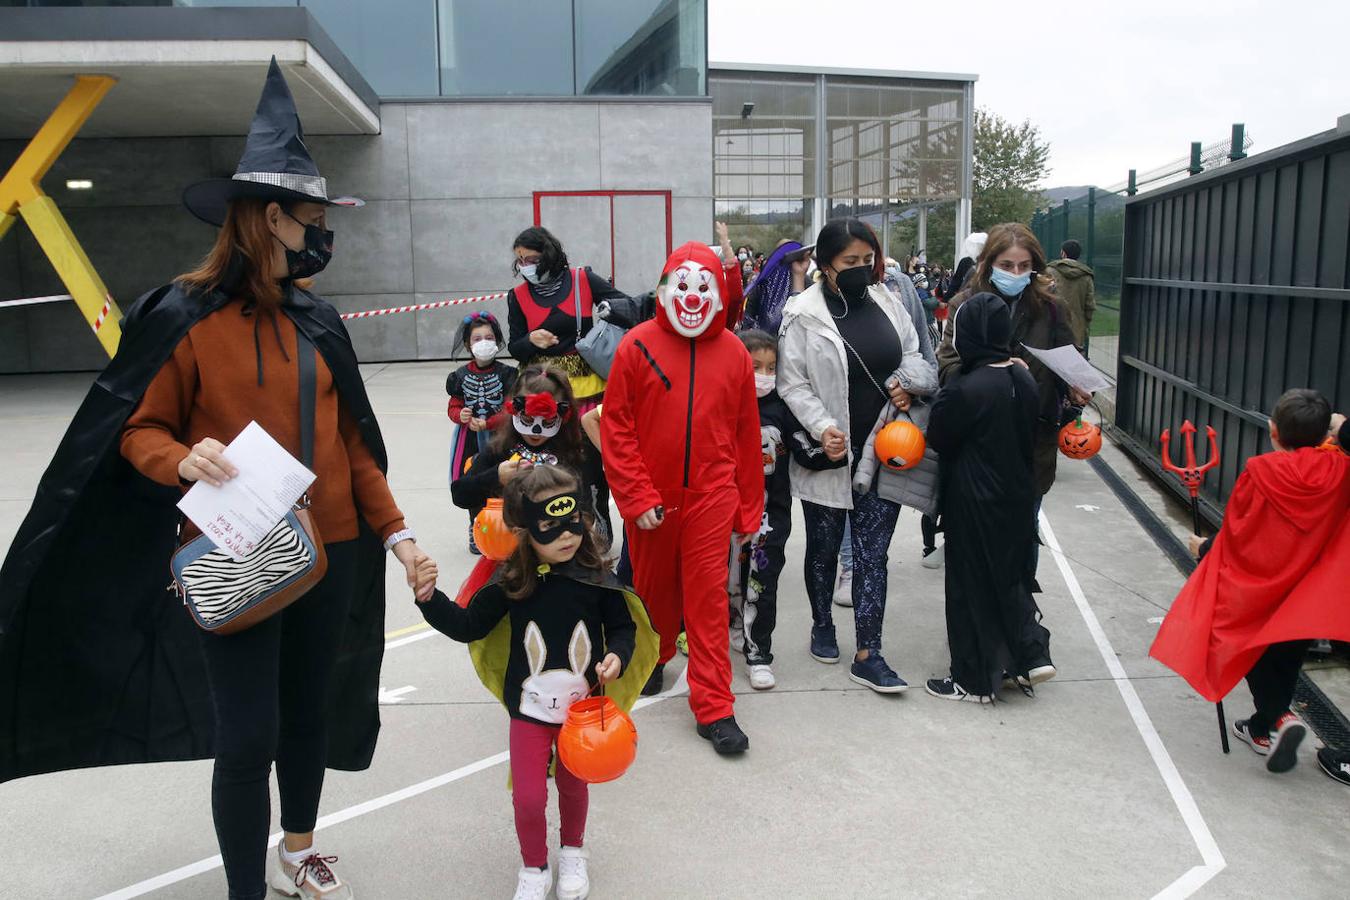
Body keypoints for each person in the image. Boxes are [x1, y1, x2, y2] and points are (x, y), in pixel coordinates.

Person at [0, 60, 437, 900]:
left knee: (308, 714)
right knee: (247, 737)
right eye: (313, 218)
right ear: (271, 218)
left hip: (334, 552)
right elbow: (134, 428)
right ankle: (245, 890)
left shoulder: (319, 319)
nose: (323, 232)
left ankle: (298, 853)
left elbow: (352, 446)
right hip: (235, 554)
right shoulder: (185, 315)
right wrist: (179, 459)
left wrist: (402, 537)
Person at [416, 464, 658, 900]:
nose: (566, 536)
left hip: (581, 715)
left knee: (573, 786)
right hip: (527, 712)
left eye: (573, 524)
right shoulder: (512, 583)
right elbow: (469, 624)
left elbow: (623, 628)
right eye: (551, 527)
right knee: (528, 798)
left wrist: (617, 657)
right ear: (525, 530)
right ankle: (534, 868)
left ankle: (572, 852)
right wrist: (430, 600)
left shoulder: (598, 580)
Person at [602, 241, 763, 754]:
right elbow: (617, 428)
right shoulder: (636, 345)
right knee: (652, 593)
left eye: (704, 287)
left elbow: (745, 432)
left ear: (717, 294)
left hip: (713, 496)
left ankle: (714, 706)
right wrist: (635, 493)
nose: (693, 297)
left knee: (709, 603)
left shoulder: (735, 353)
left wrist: (748, 508)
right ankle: (651, 659)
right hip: (653, 496)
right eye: (684, 285)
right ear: (666, 287)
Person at [1150, 390, 1350, 774]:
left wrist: (1207, 547)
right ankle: (1263, 724)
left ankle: (1279, 720)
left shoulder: (1262, 471)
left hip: (1262, 584)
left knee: (1251, 647)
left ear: (1273, 430)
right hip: (1307, 589)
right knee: (1288, 655)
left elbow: (1240, 533)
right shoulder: (1340, 470)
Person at [777, 218, 936, 693]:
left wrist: (907, 383)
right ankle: (822, 622)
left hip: (885, 449)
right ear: (826, 265)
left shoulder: (890, 302)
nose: (863, 269)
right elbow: (792, 382)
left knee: (873, 556)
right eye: (851, 262)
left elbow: (917, 355)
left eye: (868, 260)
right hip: (829, 455)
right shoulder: (801, 314)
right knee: (824, 551)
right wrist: (823, 428)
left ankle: (870, 652)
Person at [936, 223, 1092, 585]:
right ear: (989, 263)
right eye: (1007, 265)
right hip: (977, 445)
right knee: (976, 535)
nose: (1016, 274)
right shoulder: (963, 305)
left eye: (1024, 266)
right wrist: (995, 371)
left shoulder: (1051, 309)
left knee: (1024, 530)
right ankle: (975, 620)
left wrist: (1077, 387)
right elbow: (947, 369)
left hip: (1033, 439)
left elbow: (1068, 358)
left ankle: (1018, 613)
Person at [923, 293, 1054, 702]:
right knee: (1008, 579)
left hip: (973, 499)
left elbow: (940, 438)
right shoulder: (1022, 377)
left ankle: (973, 678)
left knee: (968, 589)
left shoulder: (967, 388)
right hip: (1016, 496)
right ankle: (1023, 657)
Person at [728, 329, 823, 690]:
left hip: (770, 518)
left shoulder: (782, 409)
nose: (764, 374)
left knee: (761, 585)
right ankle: (733, 625)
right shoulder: (724, 405)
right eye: (755, 366)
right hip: (727, 517)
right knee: (728, 583)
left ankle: (759, 653)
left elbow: (803, 449)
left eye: (771, 367)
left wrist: (830, 452)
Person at [452, 365, 609, 549]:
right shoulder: (500, 449)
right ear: (514, 410)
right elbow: (460, 494)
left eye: (548, 421)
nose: (536, 431)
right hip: (511, 550)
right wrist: (496, 476)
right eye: (527, 419)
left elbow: (586, 506)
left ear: (563, 415)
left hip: (560, 549)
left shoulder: (574, 452)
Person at [505, 226, 637, 414]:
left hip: (585, 385)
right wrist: (530, 341)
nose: (525, 266)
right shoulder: (517, 296)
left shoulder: (582, 280)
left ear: (549, 255)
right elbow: (515, 349)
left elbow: (626, 307)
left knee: (586, 437)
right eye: (520, 261)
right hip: (539, 386)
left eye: (532, 260)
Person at [447, 312, 517, 553]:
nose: (483, 342)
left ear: (497, 341)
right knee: (472, 478)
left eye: (489, 337)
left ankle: (505, 525)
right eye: (477, 339)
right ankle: (476, 526)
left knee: (502, 478)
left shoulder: (508, 374)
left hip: (500, 437)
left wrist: (489, 423)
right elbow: (453, 406)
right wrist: (460, 416)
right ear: (468, 344)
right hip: (469, 439)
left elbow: (511, 408)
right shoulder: (459, 376)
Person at [739, 239, 811, 336]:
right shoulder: (764, 281)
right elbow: (749, 313)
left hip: (797, 337)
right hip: (767, 342)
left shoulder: (803, 279)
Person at [1044, 239, 1095, 354]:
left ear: (1063, 253)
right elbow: (1090, 305)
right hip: (1076, 327)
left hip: (1051, 325)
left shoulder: (1049, 271)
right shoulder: (1086, 276)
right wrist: (1084, 325)